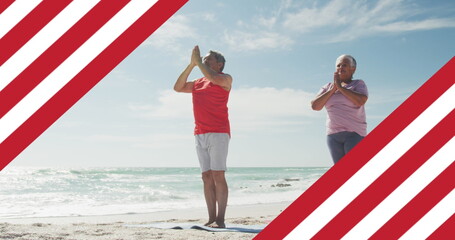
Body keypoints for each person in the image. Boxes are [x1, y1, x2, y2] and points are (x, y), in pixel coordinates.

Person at [173, 45, 232, 228]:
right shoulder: (198, 82)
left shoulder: (225, 78)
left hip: (218, 133)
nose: (204, 61)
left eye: (208, 59)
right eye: (203, 59)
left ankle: (221, 219)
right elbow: (177, 87)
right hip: (200, 133)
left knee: (217, 175)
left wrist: (199, 63)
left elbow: (213, 77)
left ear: (219, 64)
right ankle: (211, 218)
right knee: (206, 176)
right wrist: (192, 65)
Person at [311, 54, 368, 164]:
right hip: (333, 134)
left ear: (353, 69)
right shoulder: (327, 87)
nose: (341, 67)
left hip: (354, 133)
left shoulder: (358, 84)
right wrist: (333, 90)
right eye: (338, 65)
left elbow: (361, 101)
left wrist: (341, 88)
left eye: (345, 65)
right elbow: (315, 106)